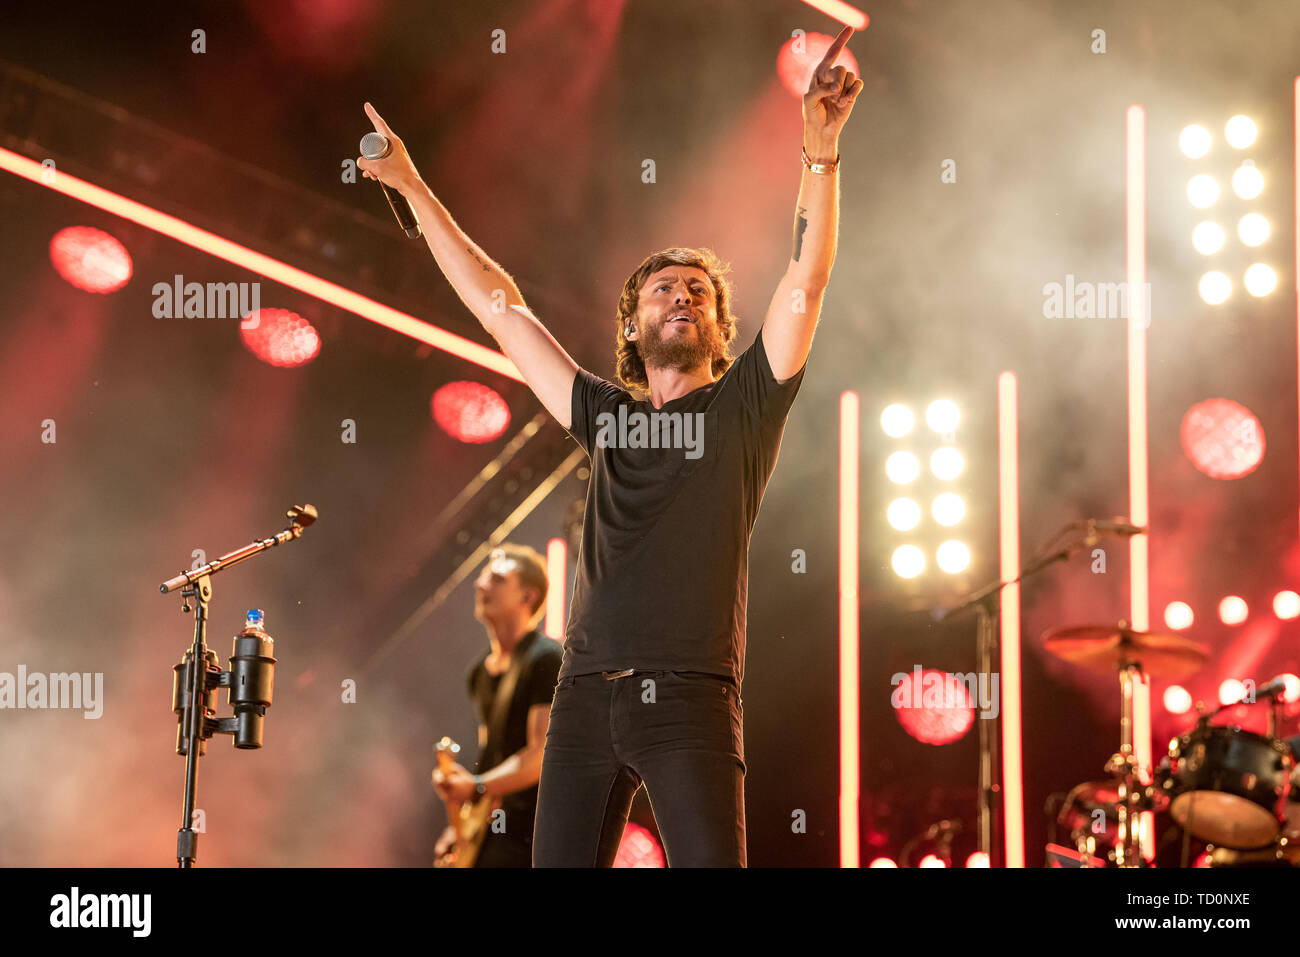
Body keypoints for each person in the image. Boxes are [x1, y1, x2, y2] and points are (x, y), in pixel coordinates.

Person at [362, 25, 863, 866]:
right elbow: (500, 306)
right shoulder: (603, 412)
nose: (683, 295)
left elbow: (805, 279)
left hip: (693, 700)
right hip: (584, 700)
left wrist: (818, 152)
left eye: (699, 290)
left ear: (718, 324)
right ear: (634, 322)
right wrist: (412, 186)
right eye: (664, 286)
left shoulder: (746, 402)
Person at [432, 544, 562, 868]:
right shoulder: (479, 673)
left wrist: (475, 787)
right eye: (482, 577)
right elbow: (492, 752)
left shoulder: (545, 659)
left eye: (497, 578)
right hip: (494, 824)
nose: (480, 585)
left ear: (528, 597)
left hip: (533, 829)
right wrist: (461, 826)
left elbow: (540, 754)